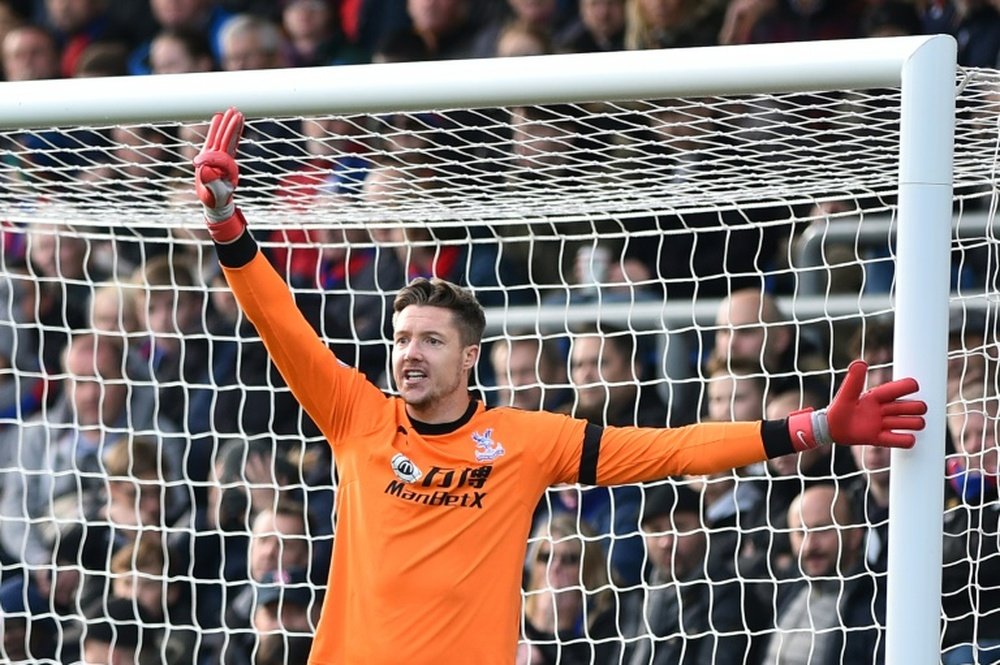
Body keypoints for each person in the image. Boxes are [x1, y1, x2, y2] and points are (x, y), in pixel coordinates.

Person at [192, 106, 927, 664]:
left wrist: (812, 428)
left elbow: (675, 449)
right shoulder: (357, 414)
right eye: (401, 338)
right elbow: (279, 321)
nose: (408, 354)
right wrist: (227, 219)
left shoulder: (526, 439)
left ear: (471, 356)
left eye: (429, 340)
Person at [759, 483, 886, 664]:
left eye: (822, 529)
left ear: (855, 535)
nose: (810, 545)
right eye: (801, 532)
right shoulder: (789, 586)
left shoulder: (878, 603)